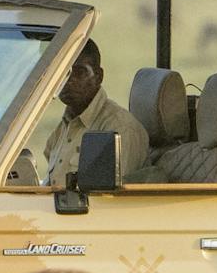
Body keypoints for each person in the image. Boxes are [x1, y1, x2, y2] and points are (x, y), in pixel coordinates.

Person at [42, 39, 150, 184]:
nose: (69, 80)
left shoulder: (119, 129)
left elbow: (111, 200)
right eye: (63, 72)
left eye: (79, 72)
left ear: (98, 76)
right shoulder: (63, 128)